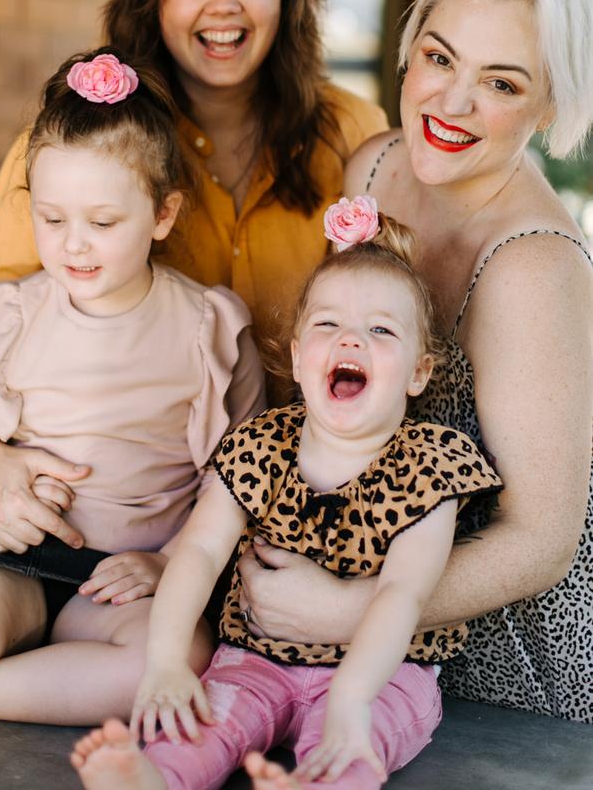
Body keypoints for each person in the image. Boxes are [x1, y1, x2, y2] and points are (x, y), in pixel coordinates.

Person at [0, 0, 386, 564]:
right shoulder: (84, 148)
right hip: (103, 528)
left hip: (306, 514)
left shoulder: (355, 136)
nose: (224, 6)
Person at [234, 0, 593, 723]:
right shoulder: (376, 166)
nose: (452, 103)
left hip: (497, 661)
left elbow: (543, 540)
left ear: (549, 105)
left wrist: (346, 611)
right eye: (439, 58)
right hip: (351, 588)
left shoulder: (536, 266)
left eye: (502, 84)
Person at [69, 197, 503, 790]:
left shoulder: (430, 466)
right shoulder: (262, 445)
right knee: (207, 717)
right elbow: (197, 552)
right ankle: (154, 778)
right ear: (299, 360)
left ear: (419, 372)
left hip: (381, 674)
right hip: (254, 659)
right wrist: (167, 661)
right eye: (328, 324)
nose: (350, 339)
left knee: (353, 741)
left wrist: (351, 696)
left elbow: (404, 592)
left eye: (380, 330)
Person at [0, 49, 265, 725]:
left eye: (103, 221)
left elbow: (237, 480)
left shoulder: (210, 329)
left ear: (162, 215)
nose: (74, 246)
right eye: (52, 219)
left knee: (171, 659)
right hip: (7, 564)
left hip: (125, 581)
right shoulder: (6, 316)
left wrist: (169, 562)